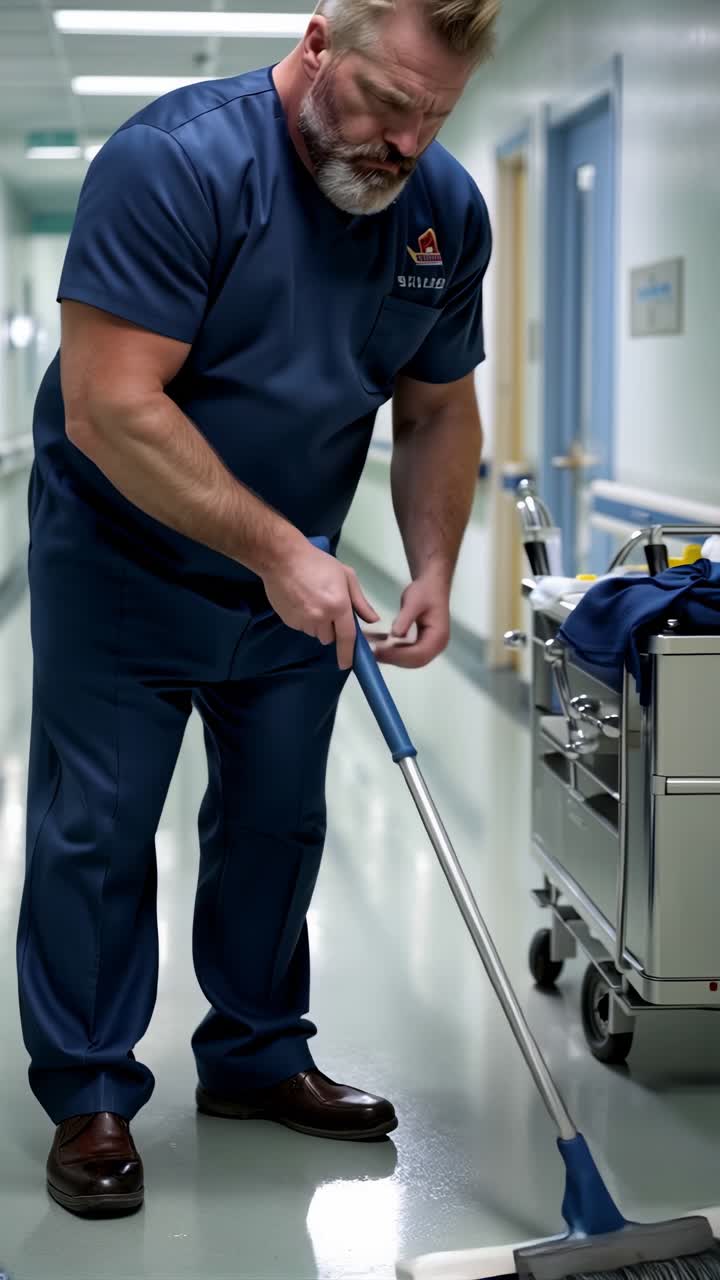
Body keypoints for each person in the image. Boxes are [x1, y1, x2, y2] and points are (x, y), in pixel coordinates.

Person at [18, 0, 497, 1217]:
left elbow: (436, 409)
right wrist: (280, 547)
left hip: (298, 572)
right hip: (123, 556)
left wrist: (433, 565)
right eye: (389, 102)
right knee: (104, 824)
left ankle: (255, 1053)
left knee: (278, 818)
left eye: (434, 115)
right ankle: (90, 1092)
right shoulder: (177, 163)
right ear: (320, 41)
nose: (406, 143)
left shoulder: (440, 210)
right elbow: (110, 406)